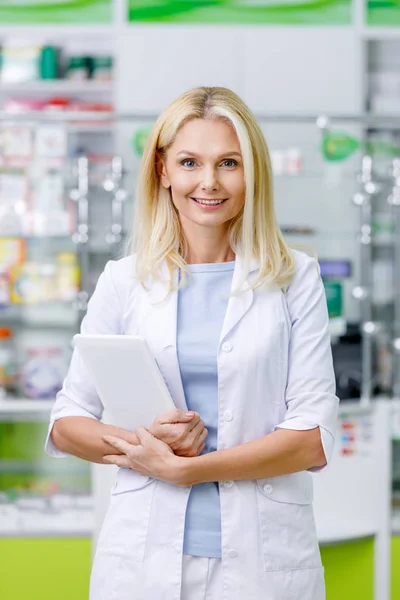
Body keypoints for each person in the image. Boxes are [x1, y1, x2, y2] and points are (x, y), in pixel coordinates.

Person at [45, 86, 339, 600]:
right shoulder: (124, 280)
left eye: (229, 162)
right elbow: (68, 425)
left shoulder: (295, 278)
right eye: (189, 162)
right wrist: (143, 446)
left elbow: (311, 436)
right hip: (142, 559)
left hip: (263, 560)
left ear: (253, 172)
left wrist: (187, 470)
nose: (209, 182)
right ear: (163, 171)